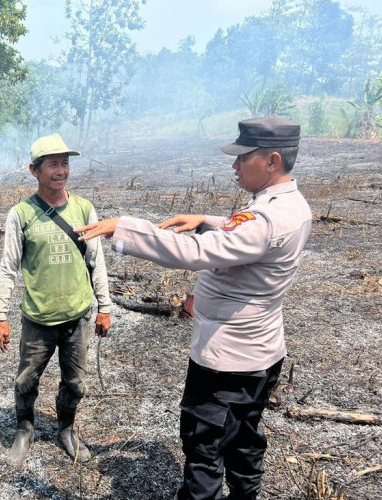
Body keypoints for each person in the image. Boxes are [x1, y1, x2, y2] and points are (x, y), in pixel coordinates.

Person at [76, 117, 311, 499]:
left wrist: (126, 228)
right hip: (262, 352)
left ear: (271, 160)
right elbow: (248, 232)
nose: (234, 166)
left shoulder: (268, 217)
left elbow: (198, 253)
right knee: (244, 434)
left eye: (242, 158)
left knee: (204, 445)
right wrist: (206, 220)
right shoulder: (289, 205)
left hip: (227, 361)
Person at [0, 133, 113, 466]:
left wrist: (104, 307)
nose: (61, 171)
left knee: (75, 382)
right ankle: (24, 431)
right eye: (53, 164)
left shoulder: (84, 209)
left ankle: (66, 431)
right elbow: (8, 267)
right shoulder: (22, 214)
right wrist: (0, 315)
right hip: (38, 320)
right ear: (34, 170)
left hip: (77, 318)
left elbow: (96, 261)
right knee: (26, 380)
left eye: (65, 163)